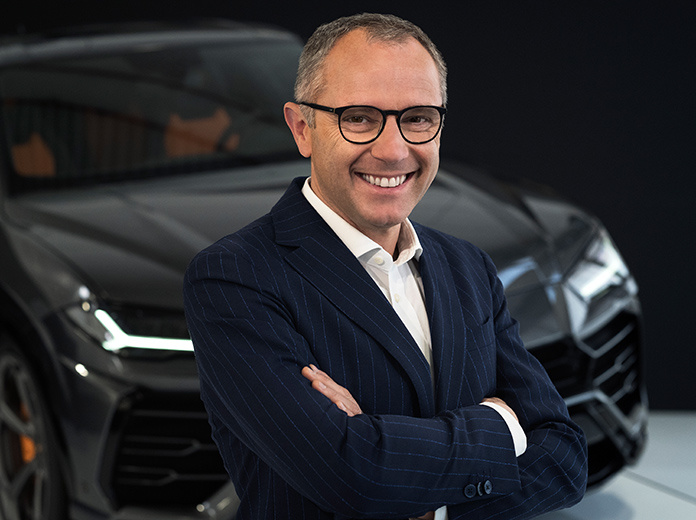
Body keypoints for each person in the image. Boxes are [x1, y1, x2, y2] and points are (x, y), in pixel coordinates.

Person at [184, 13, 588, 520]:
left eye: (417, 118)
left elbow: (565, 458)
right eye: (359, 118)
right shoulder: (233, 277)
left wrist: (423, 500)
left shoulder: (469, 268)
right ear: (303, 128)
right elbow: (350, 474)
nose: (393, 150)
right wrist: (502, 426)